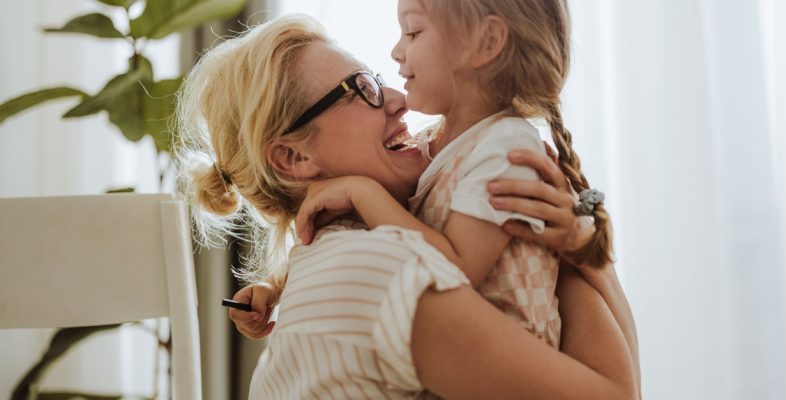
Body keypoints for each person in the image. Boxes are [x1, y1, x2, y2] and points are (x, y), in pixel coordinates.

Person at [177, 13, 638, 399]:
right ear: (295, 158)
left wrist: (578, 242)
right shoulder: (374, 270)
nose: (398, 100)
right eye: (362, 88)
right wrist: (564, 245)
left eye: (379, 80)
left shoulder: (358, 249)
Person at [295, 0, 611, 350]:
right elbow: (383, 241)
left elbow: (455, 270)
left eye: (413, 32)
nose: (396, 52)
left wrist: (362, 193)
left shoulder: (506, 147)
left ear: (487, 42)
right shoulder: (432, 144)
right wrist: (281, 290)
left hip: (508, 369)